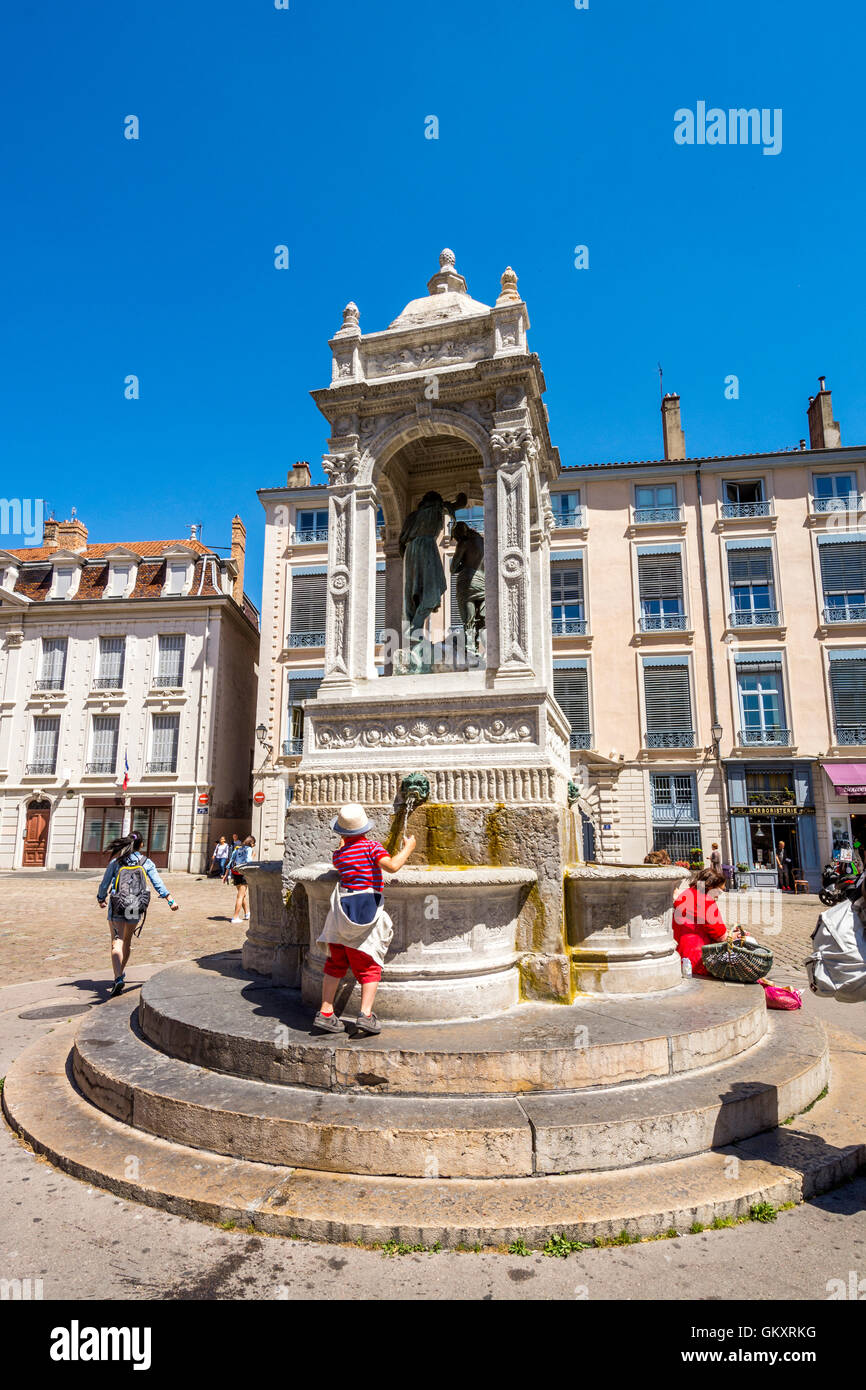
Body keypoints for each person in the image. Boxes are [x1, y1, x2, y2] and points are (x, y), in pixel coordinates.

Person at [314, 803, 416, 1036]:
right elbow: (392, 866)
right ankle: (365, 1016)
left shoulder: (339, 855)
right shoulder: (371, 847)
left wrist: (343, 842)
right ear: (365, 828)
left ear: (341, 832)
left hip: (341, 910)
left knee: (335, 962)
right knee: (368, 964)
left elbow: (343, 857)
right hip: (366, 908)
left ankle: (326, 1012)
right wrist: (408, 847)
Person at [96, 832, 179, 997]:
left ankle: (118, 976)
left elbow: (104, 883)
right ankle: (119, 973)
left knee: (116, 942)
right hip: (135, 904)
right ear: (141, 845)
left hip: (117, 904)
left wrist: (100, 898)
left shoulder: (116, 862)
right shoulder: (146, 862)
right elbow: (157, 883)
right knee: (127, 941)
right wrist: (170, 899)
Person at [672, 868, 728, 978]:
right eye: (720, 891)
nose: (719, 895)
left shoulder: (687, 893)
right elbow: (720, 935)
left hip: (680, 955)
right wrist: (733, 935)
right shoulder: (705, 901)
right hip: (699, 959)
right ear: (711, 887)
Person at [224, 835, 255, 922]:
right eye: (253, 844)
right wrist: (253, 856)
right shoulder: (248, 849)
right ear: (251, 842)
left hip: (235, 873)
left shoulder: (237, 848)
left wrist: (226, 874)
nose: (253, 845)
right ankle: (235, 917)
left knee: (242, 895)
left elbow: (230, 861)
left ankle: (247, 913)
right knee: (240, 896)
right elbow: (248, 861)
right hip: (243, 873)